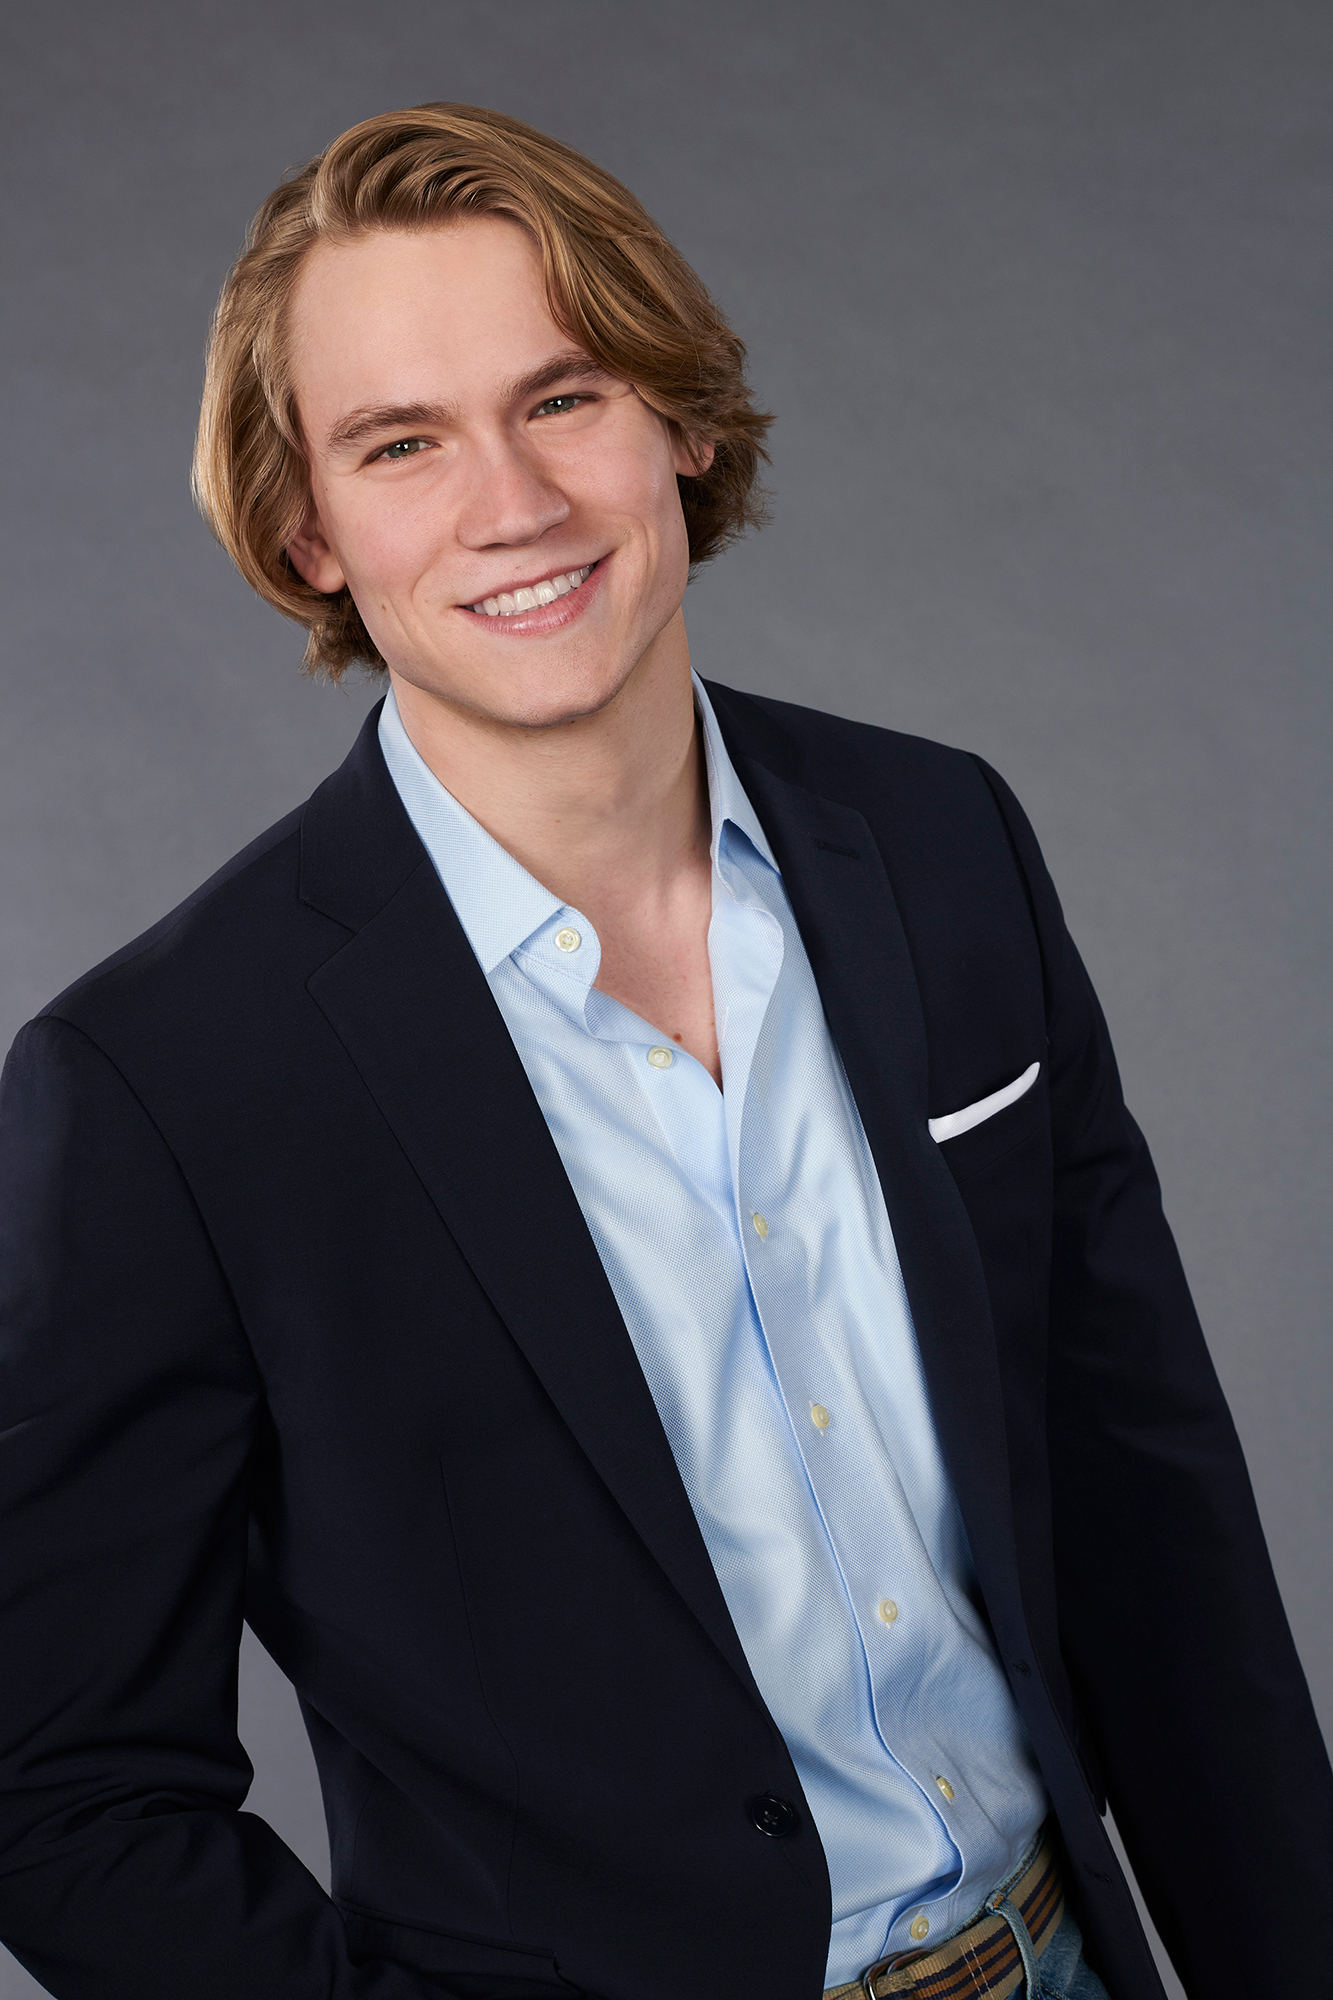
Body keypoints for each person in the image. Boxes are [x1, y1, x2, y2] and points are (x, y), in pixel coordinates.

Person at [0, 102, 1328, 2000]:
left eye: (564, 398)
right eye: (401, 442)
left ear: (680, 422)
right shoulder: (160, 1084)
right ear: (308, 531)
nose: (513, 502)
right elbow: (61, 1791)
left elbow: (1147, 1513)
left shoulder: (940, 843)